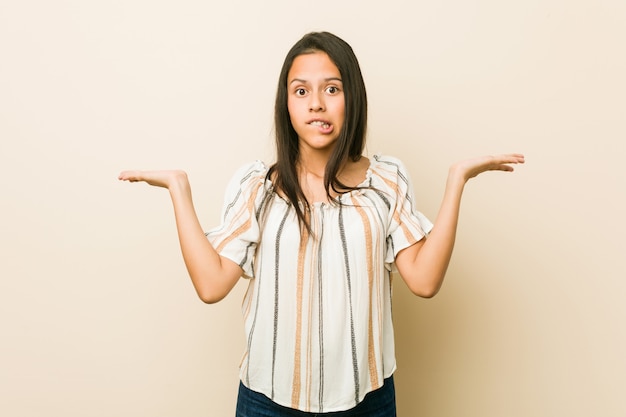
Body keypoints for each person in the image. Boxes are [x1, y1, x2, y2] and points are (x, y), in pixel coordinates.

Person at [119, 31, 524, 417]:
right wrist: (179, 190)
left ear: (353, 98)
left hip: (367, 401)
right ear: (287, 104)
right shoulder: (257, 187)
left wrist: (456, 182)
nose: (316, 103)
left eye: (332, 89)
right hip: (267, 402)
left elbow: (424, 280)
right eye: (301, 90)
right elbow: (211, 286)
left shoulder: (386, 179)